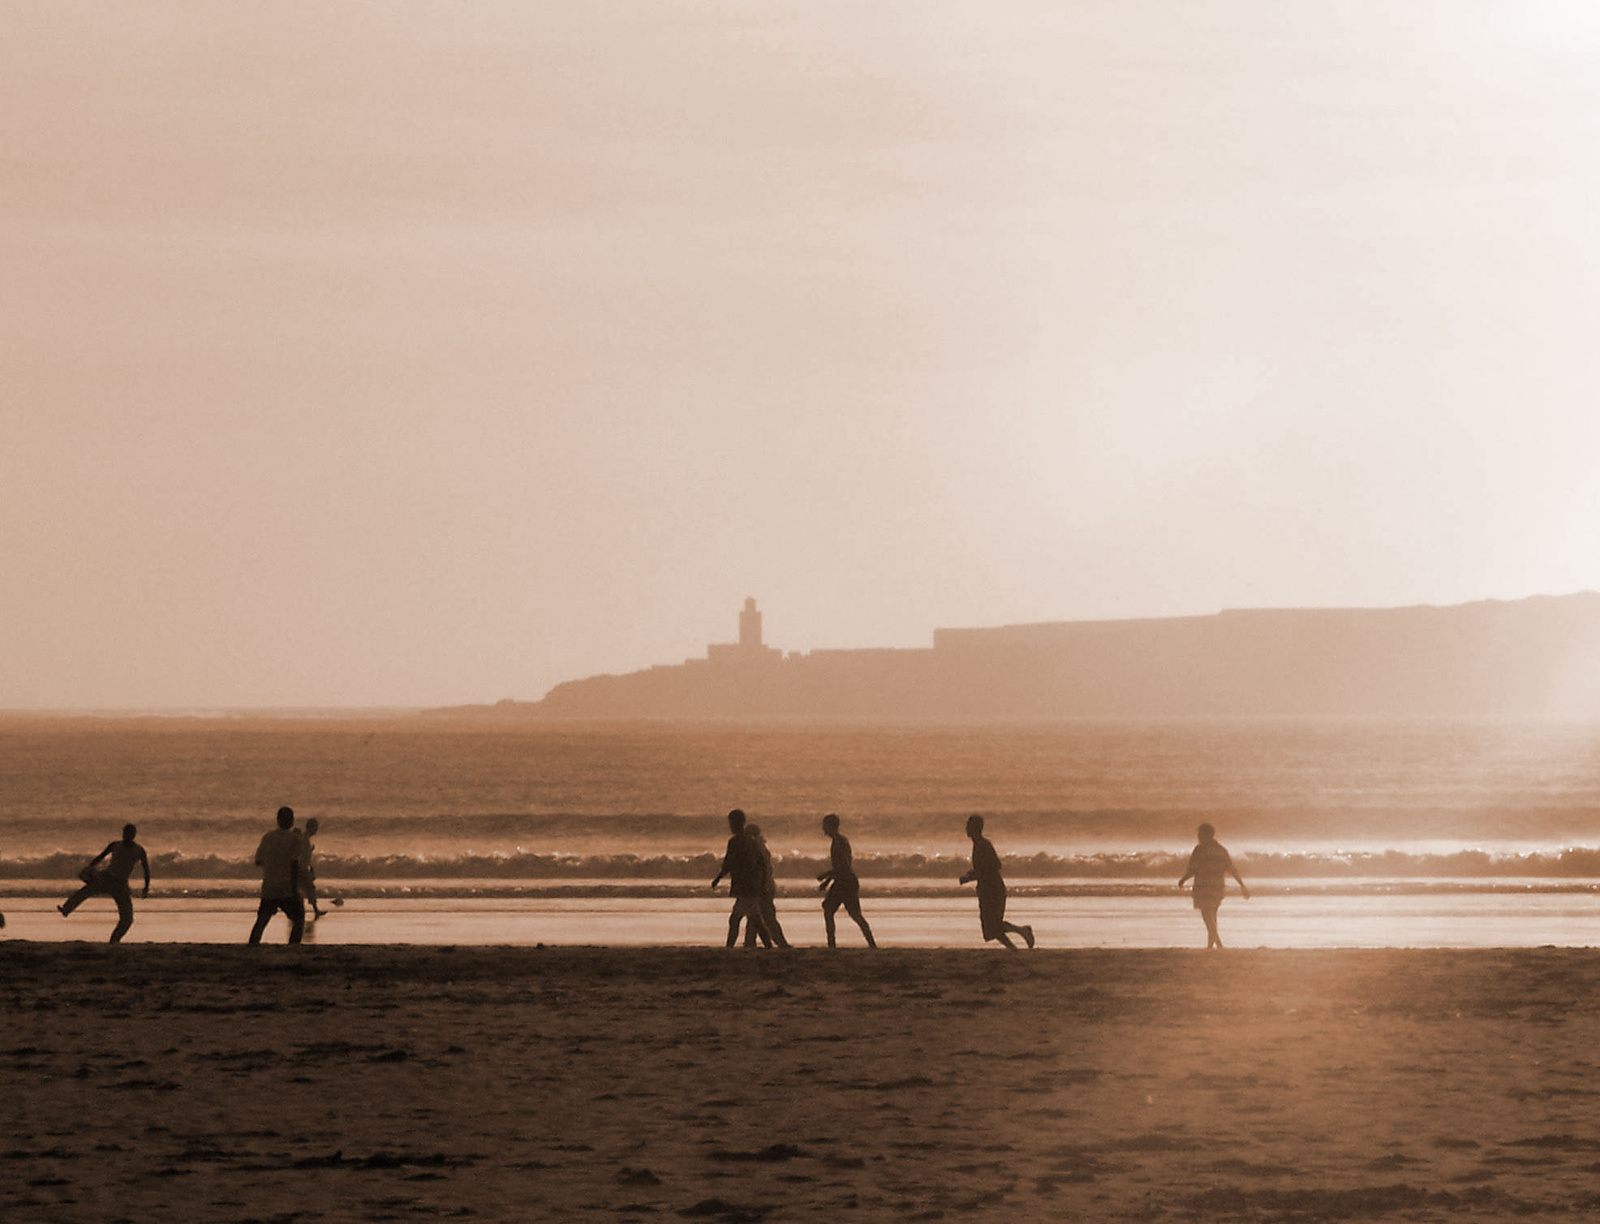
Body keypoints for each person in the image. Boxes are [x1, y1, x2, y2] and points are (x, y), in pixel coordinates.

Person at [58, 823, 150, 943]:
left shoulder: (139, 850)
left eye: (129, 833)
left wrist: (146, 887)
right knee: (85, 891)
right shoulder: (115, 845)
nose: (126, 836)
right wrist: (89, 868)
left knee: (127, 919)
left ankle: (114, 939)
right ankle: (66, 909)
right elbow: (100, 857)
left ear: (134, 835)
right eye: (125, 833)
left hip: (121, 885)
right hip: (107, 878)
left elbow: (146, 869)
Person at [959, 814, 1034, 950]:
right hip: (986, 889)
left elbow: (995, 865)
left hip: (993, 890)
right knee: (990, 929)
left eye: (969, 826)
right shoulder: (978, 845)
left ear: (976, 828)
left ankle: (1019, 937)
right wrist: (973, 874)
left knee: (992, 926)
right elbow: (985, 868)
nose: (966, 829)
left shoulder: (983, 845)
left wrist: (971, 876)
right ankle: (1015, 944)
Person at [1178, 822, 1250, 949]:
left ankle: (1218, 944)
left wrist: (1183, 879)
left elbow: (1193, 869)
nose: (1198, 836)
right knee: (1212, 916)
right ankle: (1210, 945)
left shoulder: (1199, 850)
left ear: (1206, 835)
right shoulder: (1220, 850)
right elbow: (1231, 869)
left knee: (1207, 917)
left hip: (1203, 887)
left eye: (1200, 834)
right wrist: (1242, 885)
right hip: (1217, 887)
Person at [710, 808, 772, 949]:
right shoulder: (752, 841)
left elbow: (728, 863)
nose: (731, 826)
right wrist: (763, 883)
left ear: (739, 823)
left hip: (745, 886)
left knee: (739, 919)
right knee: (752, 918)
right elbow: (762, 863)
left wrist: (718, 878)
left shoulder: (735, 842)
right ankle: (767, 946)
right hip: (752, 885)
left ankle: (730, 947)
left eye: (732, 823)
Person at [817, 813, 876, 948]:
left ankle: (833, 944)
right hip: (843, 880)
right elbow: (840, 868)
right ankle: (869, 943)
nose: (823, 828)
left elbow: (843, 866)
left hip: (846, 882)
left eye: (825, 825)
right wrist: (827, 882)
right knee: (832, 909)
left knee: (853, 913)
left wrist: (825, 875)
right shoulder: (839, 840)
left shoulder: (839, 842)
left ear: (831, 826)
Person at [250, 806, 306, 945]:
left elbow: (258, 861)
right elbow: (294, 865)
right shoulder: (295, 839)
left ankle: (252, 946)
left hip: (269, 886)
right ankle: (293, 947)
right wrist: (295, 890)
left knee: (261, 921)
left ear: (278, 820)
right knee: (299, 919)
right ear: (291, 821)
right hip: (286, 886)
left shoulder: (268, 837)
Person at [741, 823, 790, 949]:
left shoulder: (755, 848)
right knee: (756, 915)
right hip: (765, 885)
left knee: (765, 916)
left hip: (762, 887)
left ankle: (780, 942)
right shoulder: (761, 847)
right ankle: (750, 941)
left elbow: (760, 870)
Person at [300, 816, 325, 919]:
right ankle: (315, 910)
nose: (316, 831)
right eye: (315, 828)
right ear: (311, 828)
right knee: (309, 889)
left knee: (304, 890)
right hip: (301, 869)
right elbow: (302, 856)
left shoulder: (304, 838)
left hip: (303, 868)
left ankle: (314, 910)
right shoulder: (304, 839)